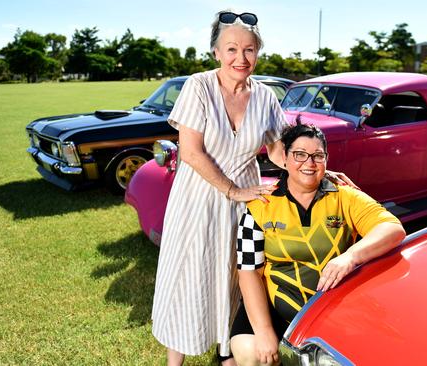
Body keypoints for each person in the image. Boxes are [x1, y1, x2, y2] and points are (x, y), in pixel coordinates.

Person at [151, 11, 355, 366]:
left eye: (249, 50)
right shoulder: (198, 86)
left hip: (244, 198)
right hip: (199, 196)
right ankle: (175, 362)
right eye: (231, 49)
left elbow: (279, 151)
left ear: (258, 52)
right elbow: (191, 152)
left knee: (235, 278)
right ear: (216, 51)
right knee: (189, 276)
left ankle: (226, 353)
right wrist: (230, 189)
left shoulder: (264, 97)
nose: (240, 59)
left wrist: (318, 170)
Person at [230, 124, 406, 366]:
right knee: (250, 352)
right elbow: (249, 272)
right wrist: (263, 331)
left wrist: (350, 256)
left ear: (326, 159)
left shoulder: (345, 196)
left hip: (332, 306)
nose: (309, 162)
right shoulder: (261, 206)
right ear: (284, 157)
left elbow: (392, 228)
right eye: (299, 154)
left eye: (317, 156)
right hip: (276, 306)